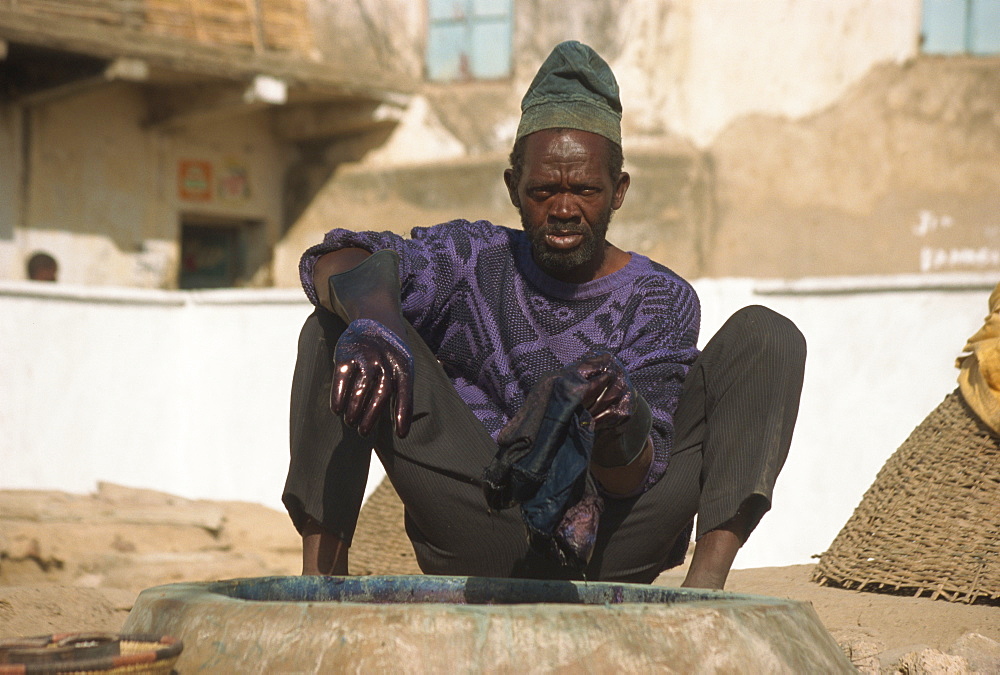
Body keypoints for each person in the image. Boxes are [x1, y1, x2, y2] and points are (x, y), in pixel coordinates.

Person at [282, 41, 806, 589]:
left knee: (766, 335)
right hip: (482, 528)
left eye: (584, 190)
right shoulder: (472, 258)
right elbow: (336, 257)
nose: (563, 208)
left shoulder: (661, 298)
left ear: (618, 192)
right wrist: (374, 323)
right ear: (513, 188)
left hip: (613, 543)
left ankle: (705, 589)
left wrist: (617, 427)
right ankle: (323, 587)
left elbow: (631, 479)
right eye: (543, 191)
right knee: (335, 325)